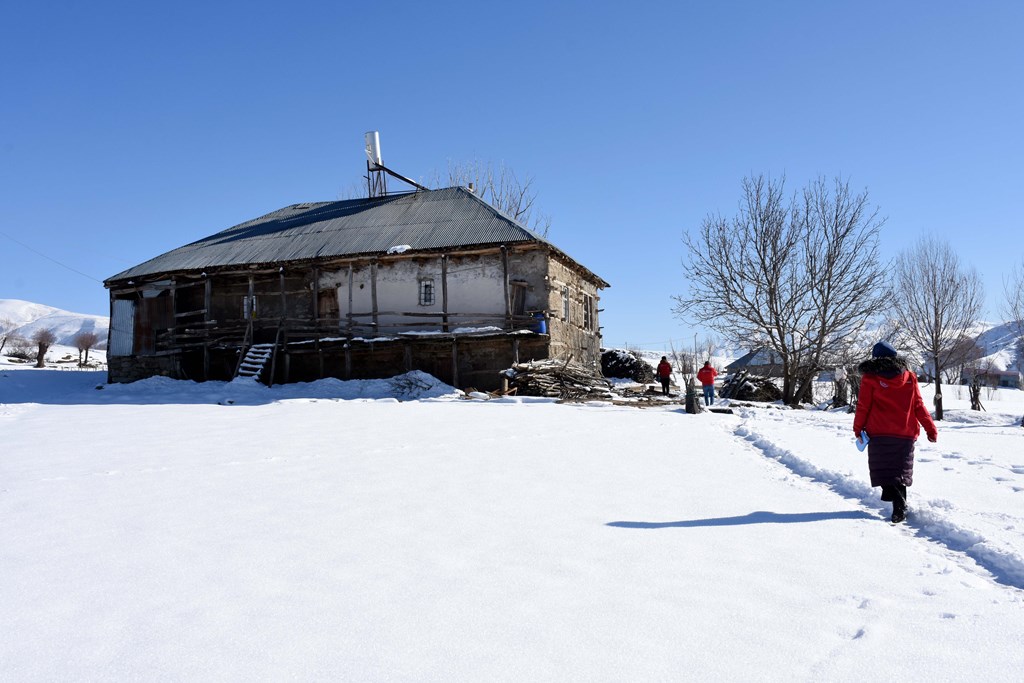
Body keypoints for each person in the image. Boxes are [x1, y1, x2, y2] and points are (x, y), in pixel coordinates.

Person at [853, 341, 938, 523]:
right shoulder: (910, 377)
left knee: (883, 469)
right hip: (905, 432)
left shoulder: (870, 378)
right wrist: (930, 428)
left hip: (879, 432)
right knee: (900, 471)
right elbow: (918, 405)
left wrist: (858, 428)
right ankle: (899, 506)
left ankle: (898, 504)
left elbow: (863, 406)